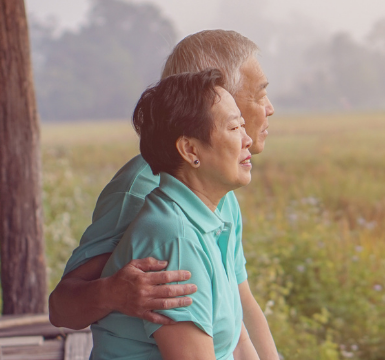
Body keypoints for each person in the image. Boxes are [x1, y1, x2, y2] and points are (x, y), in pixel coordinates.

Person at [49, 31, 277, 359]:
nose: (269, 108)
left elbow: (239, 311)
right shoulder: (145, 199)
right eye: (258, 94)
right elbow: (61, 308)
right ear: (214, 93)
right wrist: (112, 293)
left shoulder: (216, 194)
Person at [91, 69, 254, 359]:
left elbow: (235, 344)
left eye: (242, 125)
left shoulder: (205, 216)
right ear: (190, 149)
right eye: (233, 128)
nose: (247, 139)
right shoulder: (173, 239)